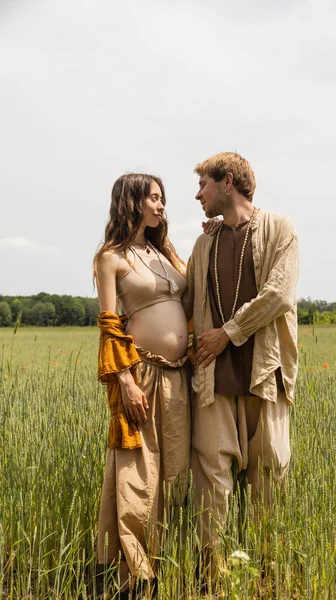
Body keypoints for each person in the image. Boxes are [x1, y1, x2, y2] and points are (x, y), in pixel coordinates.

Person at [183, 152, 299, 554]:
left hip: (265, 375)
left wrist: (227, 334)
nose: (197, 194)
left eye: (203, 185)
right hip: (213, 378)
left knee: (269, 478)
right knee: (210, 480)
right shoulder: (204, 243)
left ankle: (265, 574)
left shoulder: (280, 228)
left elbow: (279, 294)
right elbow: (185, 297)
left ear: (227, 182)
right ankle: (209, 575)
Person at [94, 173, 194, 598]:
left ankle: (169, 560)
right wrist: (125, 380)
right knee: (136, 473)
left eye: (162, 199)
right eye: (154, 198)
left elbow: (197, 289)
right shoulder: (111, 258)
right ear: (131, 202)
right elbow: (110, 326)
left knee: (176, 472)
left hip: (180, 375)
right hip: (141, 376)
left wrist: (210, 239)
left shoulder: (163, 251)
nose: (161, 206)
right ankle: (133, 575)